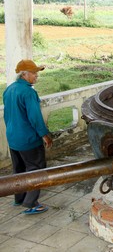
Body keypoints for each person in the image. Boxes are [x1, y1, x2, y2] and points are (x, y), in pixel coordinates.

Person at [3, 59, 52, 215]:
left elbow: (7, 115)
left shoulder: (9, 89)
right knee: (36, 170)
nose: (36, 76)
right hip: (28, 139)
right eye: (34, 73)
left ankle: (19, 198)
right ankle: (31, 203)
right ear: (24, 74)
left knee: (19, 169)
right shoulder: (28, 92)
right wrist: (44, 134)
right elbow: (35, 117)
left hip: (13, 137)